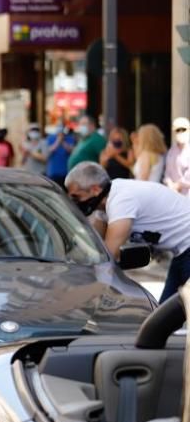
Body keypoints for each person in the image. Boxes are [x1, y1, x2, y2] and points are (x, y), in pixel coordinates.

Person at [65, 161, 190, 302]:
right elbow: (96, 245)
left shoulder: (122, 200)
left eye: (76, 197)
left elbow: (109, 255)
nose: (74, 202)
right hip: (182, 252)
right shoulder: (105, 204)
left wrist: (83, 291)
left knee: (170, 315)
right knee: (166, 317)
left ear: (95, 190)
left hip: (187, 247)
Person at [42, 122, 76, 187]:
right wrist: (57, 141)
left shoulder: (70, 138)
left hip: (66, 172)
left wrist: (63, 142)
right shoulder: (50, 138)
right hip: (53, 172)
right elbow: (48, 152)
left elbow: (71, 151)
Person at [164, 116, 190, 195]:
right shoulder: (171, 151)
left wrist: (178, 185)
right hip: (173, 195)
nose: (180, 132)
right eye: (178, 130)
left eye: (183, 129)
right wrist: (170, 184)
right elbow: (167, 173)